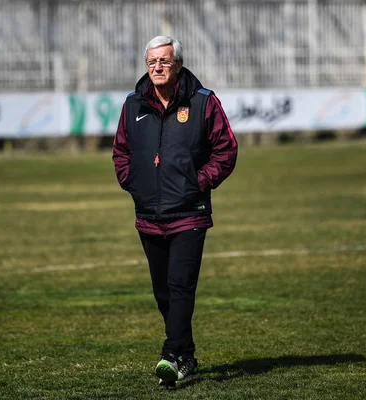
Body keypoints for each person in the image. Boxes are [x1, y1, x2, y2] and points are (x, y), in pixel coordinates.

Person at [112, 36, 238, 387]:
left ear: (179, 64)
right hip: (148, 215)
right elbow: (121, 151)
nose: (157, 67)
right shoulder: (132, 104)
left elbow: (226, 150)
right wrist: (133, 181)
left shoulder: (203, 102)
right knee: (163, 293)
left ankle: (170, 353)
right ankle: (187, 355)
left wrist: (198, 183)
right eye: (152, 61)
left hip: (189, 213)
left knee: (181, 285)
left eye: (164, 61)